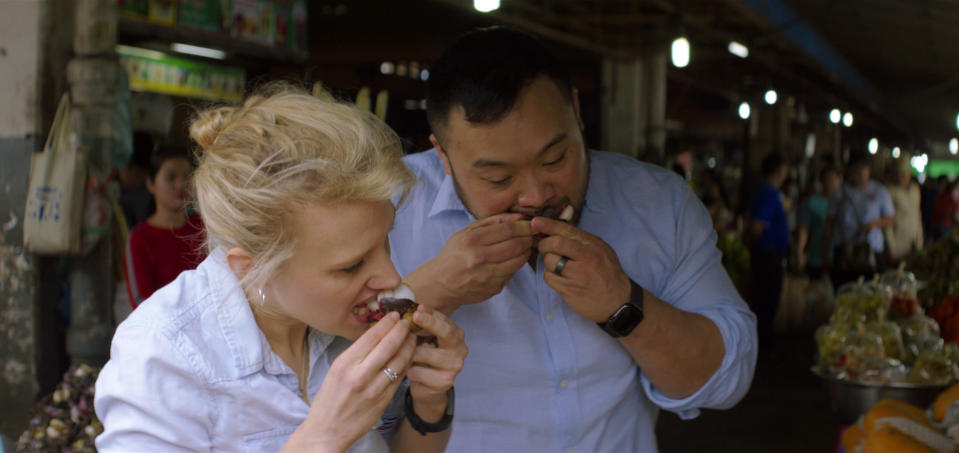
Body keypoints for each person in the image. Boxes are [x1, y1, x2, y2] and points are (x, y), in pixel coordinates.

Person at [388, 27, 756, 452]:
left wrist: (624, 304)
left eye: (555, 158)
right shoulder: (387, 209)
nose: (536, 195)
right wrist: (427, 293)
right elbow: (314, 374)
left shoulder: (659, 204)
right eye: (498, 178)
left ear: (578, 113)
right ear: (443, 156)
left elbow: (727, 380)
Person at [95, 87, 468, 452]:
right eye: (351, 266)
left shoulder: (341, 326)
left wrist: (429, 403)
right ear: (252, 268)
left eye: (385, 241)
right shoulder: (164, 355)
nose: (391, 278)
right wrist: (324, 437)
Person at [123, 145, 205, 309]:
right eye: (171, 177)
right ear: (150, 184)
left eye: (187, 176)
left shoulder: (203, 227)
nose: (181, 185)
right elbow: (141, 300)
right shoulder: (139, 238)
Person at [823, 155, 895, 287]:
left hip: (871, 251)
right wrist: (826, 253)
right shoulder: (838, 194)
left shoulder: (879, 191)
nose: (859, 176)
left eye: (862, 172)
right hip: (845, 252)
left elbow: (890, 219)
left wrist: (873, 224)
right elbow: (829, 224)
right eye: (856, 172)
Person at [745, 153, 790, 347]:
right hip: (768, 254)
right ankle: (763, 345)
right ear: (779, 171)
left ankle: (760, 343)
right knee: (767, 300)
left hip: (762, 253)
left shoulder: (760, 191)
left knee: (761, 299)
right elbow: (757, 226)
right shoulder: (770, 194)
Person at [797, 165, 841, 280]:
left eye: (833, 180)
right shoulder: (811, 202)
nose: (831, 184)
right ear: (822, 182)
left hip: (840, 257)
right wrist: (800, 252)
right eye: (827, 181)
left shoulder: (843, 203)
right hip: (816, 258)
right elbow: (804, 229)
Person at [884, 160, 923, 263]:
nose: (902, 177)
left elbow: (917, 215)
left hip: (913, 240)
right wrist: (891, 247)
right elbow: (888, 222)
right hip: (898, 242)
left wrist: (920, 240)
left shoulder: (915, 190)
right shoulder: (890, 191)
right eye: (899, 174)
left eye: (905, 174)